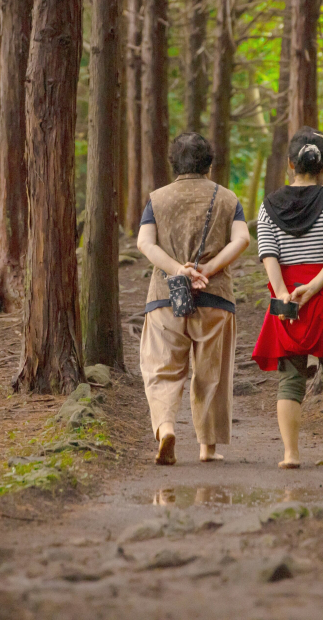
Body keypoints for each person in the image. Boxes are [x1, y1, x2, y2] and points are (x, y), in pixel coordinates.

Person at [137, 133, 250, 465]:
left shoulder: (157, 199)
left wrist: (178, 270)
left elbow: (145, 243)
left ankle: (166, 428)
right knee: (210, 373)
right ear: (209, 166)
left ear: (174, 164)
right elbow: (242, 238)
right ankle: (207, 448)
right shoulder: (228, 198)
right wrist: (208, 269)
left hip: (164, 299)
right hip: (215, 298)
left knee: (160, 369)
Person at [251, 127, 323, 468]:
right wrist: (312, 289)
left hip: (287, 305)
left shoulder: (267, 208)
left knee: (291, 377)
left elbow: (268, 254)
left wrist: (285, 294)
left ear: (290, 164)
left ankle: (290, 454)